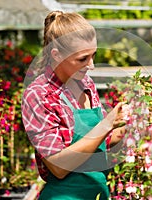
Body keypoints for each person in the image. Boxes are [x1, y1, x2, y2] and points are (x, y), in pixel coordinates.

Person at [21, 10, 127, 200]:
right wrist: (106, 124)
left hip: (98, 193)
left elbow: (101, 142)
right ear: (56, 54)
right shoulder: (38, 95)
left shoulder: (85, 84)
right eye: (82, 59)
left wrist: (128, 124)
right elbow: (58, 167)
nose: (91, 65)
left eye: (93, 55)